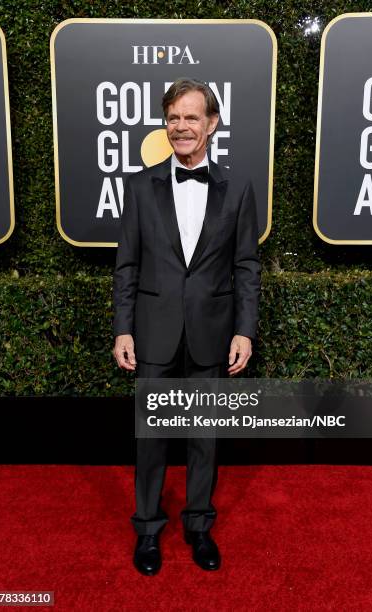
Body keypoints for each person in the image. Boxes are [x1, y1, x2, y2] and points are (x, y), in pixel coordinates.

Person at [112, 77, 261, 575]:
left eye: (191, 117)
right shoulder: (139, 186)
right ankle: (149, 529)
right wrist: (123, 328)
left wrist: (245, 330)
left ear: (211, 124)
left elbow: (246, 266)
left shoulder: (238, 187)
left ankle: (199, 526)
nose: (181, 127)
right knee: (151, 437)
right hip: (153, 331)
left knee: (204, 437)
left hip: (213, 333)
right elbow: (127, 266)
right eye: (173, 117)